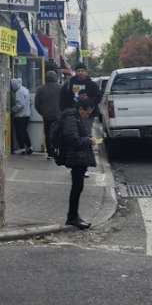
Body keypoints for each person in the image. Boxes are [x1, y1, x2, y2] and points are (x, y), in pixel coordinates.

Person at [60, 98, 98, 229]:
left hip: (77, 157)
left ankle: (73, 216)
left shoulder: (74, 117)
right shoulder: (72, 118)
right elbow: (73, 139)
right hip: (76, 157)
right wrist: (89, 141)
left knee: (78, 186)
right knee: (76, 187)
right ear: (80, 109)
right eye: (86, 113)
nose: (87, 116)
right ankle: (72, 217)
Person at [35, 70, 62, 158]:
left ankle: (49, 152)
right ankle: (56, 149)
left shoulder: (40, 89)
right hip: (58, 116)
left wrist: (42, 112)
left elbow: (37, 104)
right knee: (57, 133)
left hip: (46, 116)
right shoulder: (61, 88)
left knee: (47, 134)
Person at [10, 77, 33, 155]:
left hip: (20, 116)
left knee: (19, 133)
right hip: (27, 114)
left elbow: (20, 104)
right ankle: (30, 147)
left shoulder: (18, 92)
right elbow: (30, 102)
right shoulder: (25, 90)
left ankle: (22, 148)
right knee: (24, 132)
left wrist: (12, 109)